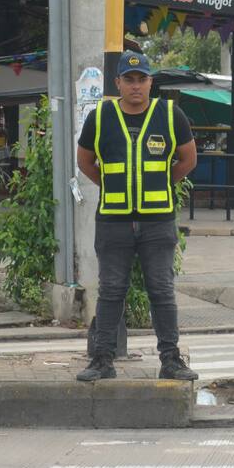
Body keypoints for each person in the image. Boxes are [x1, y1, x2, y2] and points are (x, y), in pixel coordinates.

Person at [75, 52, 199, 382]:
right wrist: (112, 184)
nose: (135, 86)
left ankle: (170, 359)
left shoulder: (171, 115)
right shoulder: (100, 116)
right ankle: (102, 360)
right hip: (113, 220)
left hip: (157, 220)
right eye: (128, 80)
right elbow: (85, 161)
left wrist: (159, 182)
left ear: (150, 82)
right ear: (117, 83)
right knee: (111, 290)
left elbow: (188, 159)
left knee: (161, 290)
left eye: (141, 79)